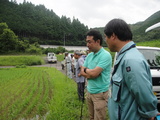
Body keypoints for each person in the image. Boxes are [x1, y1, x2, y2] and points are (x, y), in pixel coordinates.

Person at [104, 18, 158, 120]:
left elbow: (143, 92)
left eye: (106, 37)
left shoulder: (131, 60)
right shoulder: (124, 56)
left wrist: (149, 113)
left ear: (113, 36)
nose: (105, 40)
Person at [80, 29, 112, 120]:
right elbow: (82, 70)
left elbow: (93, 73)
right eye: (87, 42)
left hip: (100, 93)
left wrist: (88, 71)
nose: (87, 45)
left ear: (98, 41)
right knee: (91, 117)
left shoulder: (105, 55)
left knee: (99, 118)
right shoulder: (89, 55)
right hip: (89, 91)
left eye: (89, 42)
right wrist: (89, 72)